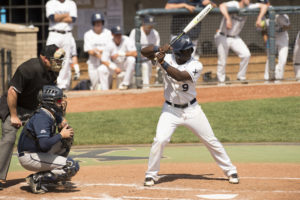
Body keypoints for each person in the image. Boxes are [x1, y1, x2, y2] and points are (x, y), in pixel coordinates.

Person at [141, 35, 239, 187]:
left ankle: (230, 170)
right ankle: (151, 174)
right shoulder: (168, 57)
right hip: (170, 110)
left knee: (210, 140)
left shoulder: (196, 65)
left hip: (192, 110)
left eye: (189, 50)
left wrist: (162, 62)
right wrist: (158, 49)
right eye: (185, 51)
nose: (188, 53)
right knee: (160, 140)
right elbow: (143, 52)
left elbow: (179, 76)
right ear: (177, 52)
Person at [0, 44, 65, 190]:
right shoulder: (28, 68)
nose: (58, 63)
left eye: (60, 61)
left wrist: (60, 118)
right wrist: (14, 116)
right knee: (9, 138)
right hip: (13, 106)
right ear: (44, 58)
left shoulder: (53, 71)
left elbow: (53, 97)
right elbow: (12, 92)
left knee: (47, 134)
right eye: (55, 60)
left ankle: (45, 174)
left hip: (32, 109)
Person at [17, 85, 79, 194]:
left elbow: (61, 120)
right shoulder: (42, 118)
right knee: (71, 166)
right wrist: (60, 135)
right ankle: (37, 179)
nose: (61, 103)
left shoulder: (48, 113)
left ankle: (50, 175)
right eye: (59, 100)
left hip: (37, 152)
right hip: (29, 156)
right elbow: (44, 144)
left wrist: (62, 124)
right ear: (50, 103)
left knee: (67, 138)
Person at [214, 0, 268, 85]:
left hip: (235, 37)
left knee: (246, 54)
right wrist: (228, 18)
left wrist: (259, 18)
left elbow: (264, 6)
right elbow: (221, 6)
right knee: (222, 60)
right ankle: (221, 81)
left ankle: (241, 77)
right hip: (222, 35)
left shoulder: (249, 6)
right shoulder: (234, 4)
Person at [46, 0, 77, 90]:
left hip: (67, 34)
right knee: (52, 58)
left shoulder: (71, 3)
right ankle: (54, 82)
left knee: (66, 59)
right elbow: (52, 18)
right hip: (54, 33)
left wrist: (59, 17)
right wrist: (66, 15)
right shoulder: (51, 3)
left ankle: (62, 85)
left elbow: (73, 19)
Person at [101, 25, 137, 90]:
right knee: (101, 69)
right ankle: (104, 90)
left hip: (125, 64)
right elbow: (103, 60)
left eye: (119, 34)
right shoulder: (109, 43)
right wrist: (114, 68)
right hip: (114, 65)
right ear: (112, 34)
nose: (118, 37)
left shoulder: (127, 40)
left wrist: (120, 54)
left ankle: (125, 83)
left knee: (131, 59)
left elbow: (135, 53)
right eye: (116, 35)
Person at [129, 15, 161, 88]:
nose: (150, 26)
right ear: (143, 23)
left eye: (152, 24)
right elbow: (131, 50)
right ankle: (146, 87)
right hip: (137, 59)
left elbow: (156, 49)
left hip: (150, 58)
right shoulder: (135, 32)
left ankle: (159, 84)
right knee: (145, 66)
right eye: (149, 24)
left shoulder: (155, 33)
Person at [83, 12, 112, 90]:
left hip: (105, 63)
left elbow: (110, 49)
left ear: (102, 23)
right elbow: (89, 51)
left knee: (107, 85)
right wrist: (100, 52)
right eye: (96, 22)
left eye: (100, 22)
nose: (98, 24)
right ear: (93, 23)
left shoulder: (108, 33)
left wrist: (98, 51)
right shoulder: (88, 34)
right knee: (95, 86)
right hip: (93, 64)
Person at [263, 14, 290, 82]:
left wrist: (281, 24)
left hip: (283, 38)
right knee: (270, 58)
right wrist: (266, 41)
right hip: (271, 38)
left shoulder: (283, 16)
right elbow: (263, 30)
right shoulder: (263, 17)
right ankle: (267, 79)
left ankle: (278, 78)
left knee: (283, 60)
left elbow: (289, 26)